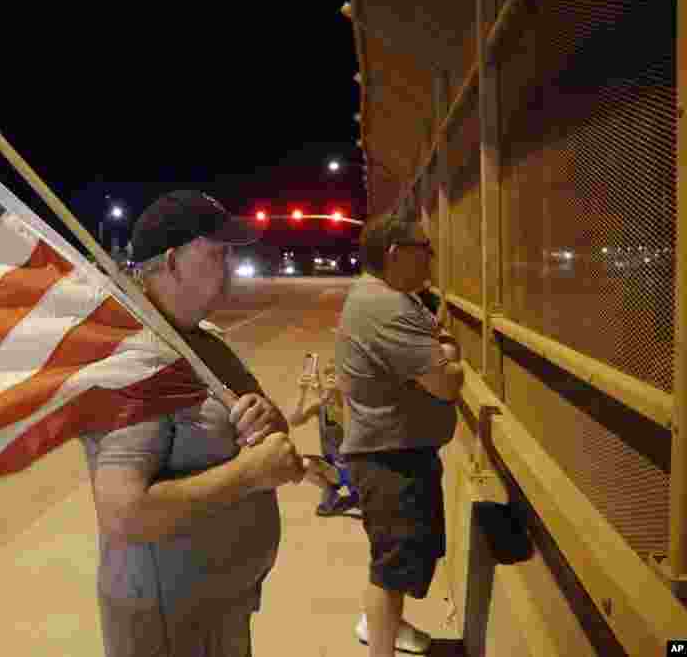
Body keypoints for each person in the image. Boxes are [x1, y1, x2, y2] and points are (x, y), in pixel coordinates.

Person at [80, 190, 316, 657]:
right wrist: (250, 473)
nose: (228, 267)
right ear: (172, 261)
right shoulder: (139, 363)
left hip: (216, 605)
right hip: (167, 622)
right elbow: (123, 513)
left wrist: (266, 421)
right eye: (217, 253)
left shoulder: (204, 340)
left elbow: (267, 435)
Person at [335, 208, 464, 657]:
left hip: (396, 451)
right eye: (424, 250)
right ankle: (380, 642)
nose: (431, 258)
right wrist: (448, 351)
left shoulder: (396, 297)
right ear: (395, 253)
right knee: (391, 570)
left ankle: (384, 626)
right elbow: (447, 382)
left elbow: (436, 347)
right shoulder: (385, 305)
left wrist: (442, 348)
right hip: (389, 457)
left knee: (398, 564)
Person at [287, 354, 359, 516]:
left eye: (335, 374)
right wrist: (302, 392)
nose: (331, 379)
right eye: (328, 375)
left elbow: (341, 419)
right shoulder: (319, 405)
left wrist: (321, 395)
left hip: (356, 470)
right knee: (302, 464)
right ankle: (331, 493)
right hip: (333, 469)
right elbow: (294, 421)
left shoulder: (351, 403)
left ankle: (358, 495)